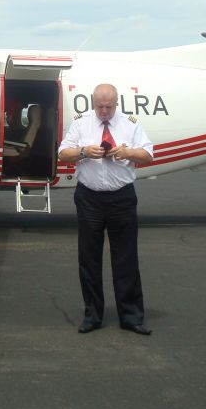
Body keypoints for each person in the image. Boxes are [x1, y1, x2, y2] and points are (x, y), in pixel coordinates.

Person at [58, 83, 154, 335]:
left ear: (116, 103)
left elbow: (148, 155)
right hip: (89, 198)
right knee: (89, 258)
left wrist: (127, 152)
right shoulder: (81, 123)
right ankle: (92, 315)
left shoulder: (130, 124)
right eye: (99, 106)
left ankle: (131, 316)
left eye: (108, 107)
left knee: (126, 258)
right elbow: (62, 154)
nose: (104, 111)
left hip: (121, 198)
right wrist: (83, 151)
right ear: (93, 103)